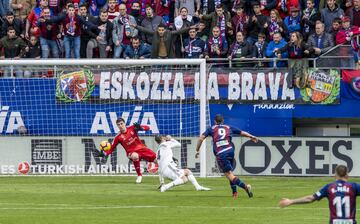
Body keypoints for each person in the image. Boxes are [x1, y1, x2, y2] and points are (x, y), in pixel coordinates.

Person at [195, 114, 258, 198]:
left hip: (221, 153)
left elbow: (200, 138)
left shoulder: (211, 128)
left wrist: (197, 149)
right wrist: (251, 136)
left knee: (229, 175)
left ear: (215, 121)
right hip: (230, 150)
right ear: (223, 120)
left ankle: (245, 187)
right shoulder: (228, 127)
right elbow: (242, 132)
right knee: (230, 173)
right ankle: (234, 193)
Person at [279, 165, 360, 224]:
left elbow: (310, 198)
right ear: (347, 175)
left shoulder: (329, 187)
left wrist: (291, 201)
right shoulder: (354, 186)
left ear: (335, 175)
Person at [101, 118, 156, 184]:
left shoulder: (132, 128)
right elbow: (111, 149)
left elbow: (148, 127)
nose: (120, 126)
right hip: (131, 152)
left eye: (121, 124)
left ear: (124, 123)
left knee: (157, 160)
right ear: (117, 126)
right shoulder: (118, 137)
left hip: (142, 149)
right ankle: (139, 175)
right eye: (118, 125)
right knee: (135, 156)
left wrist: (141, 128)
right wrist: (104, 154)